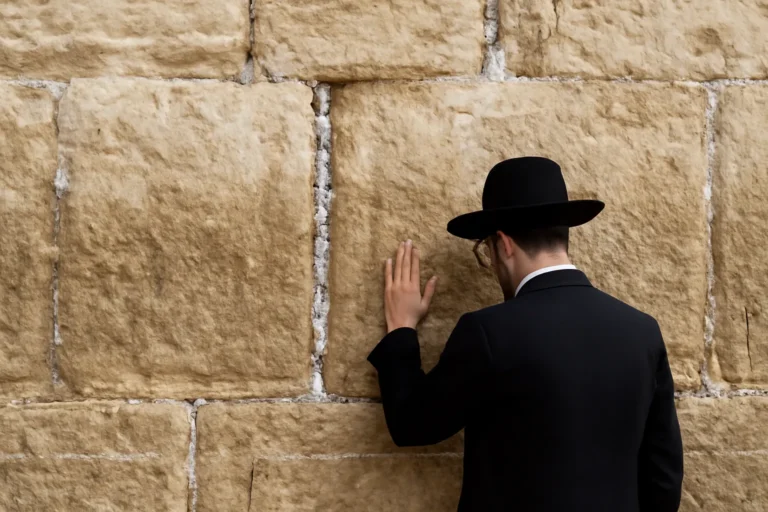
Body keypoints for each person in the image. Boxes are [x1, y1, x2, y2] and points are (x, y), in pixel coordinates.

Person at [367, 156, 684, 511]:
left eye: (484, 250)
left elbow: (412, 425)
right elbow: (663, 477)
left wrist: (401, 330)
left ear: (503, 244)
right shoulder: (641, 331)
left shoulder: (488, 332)